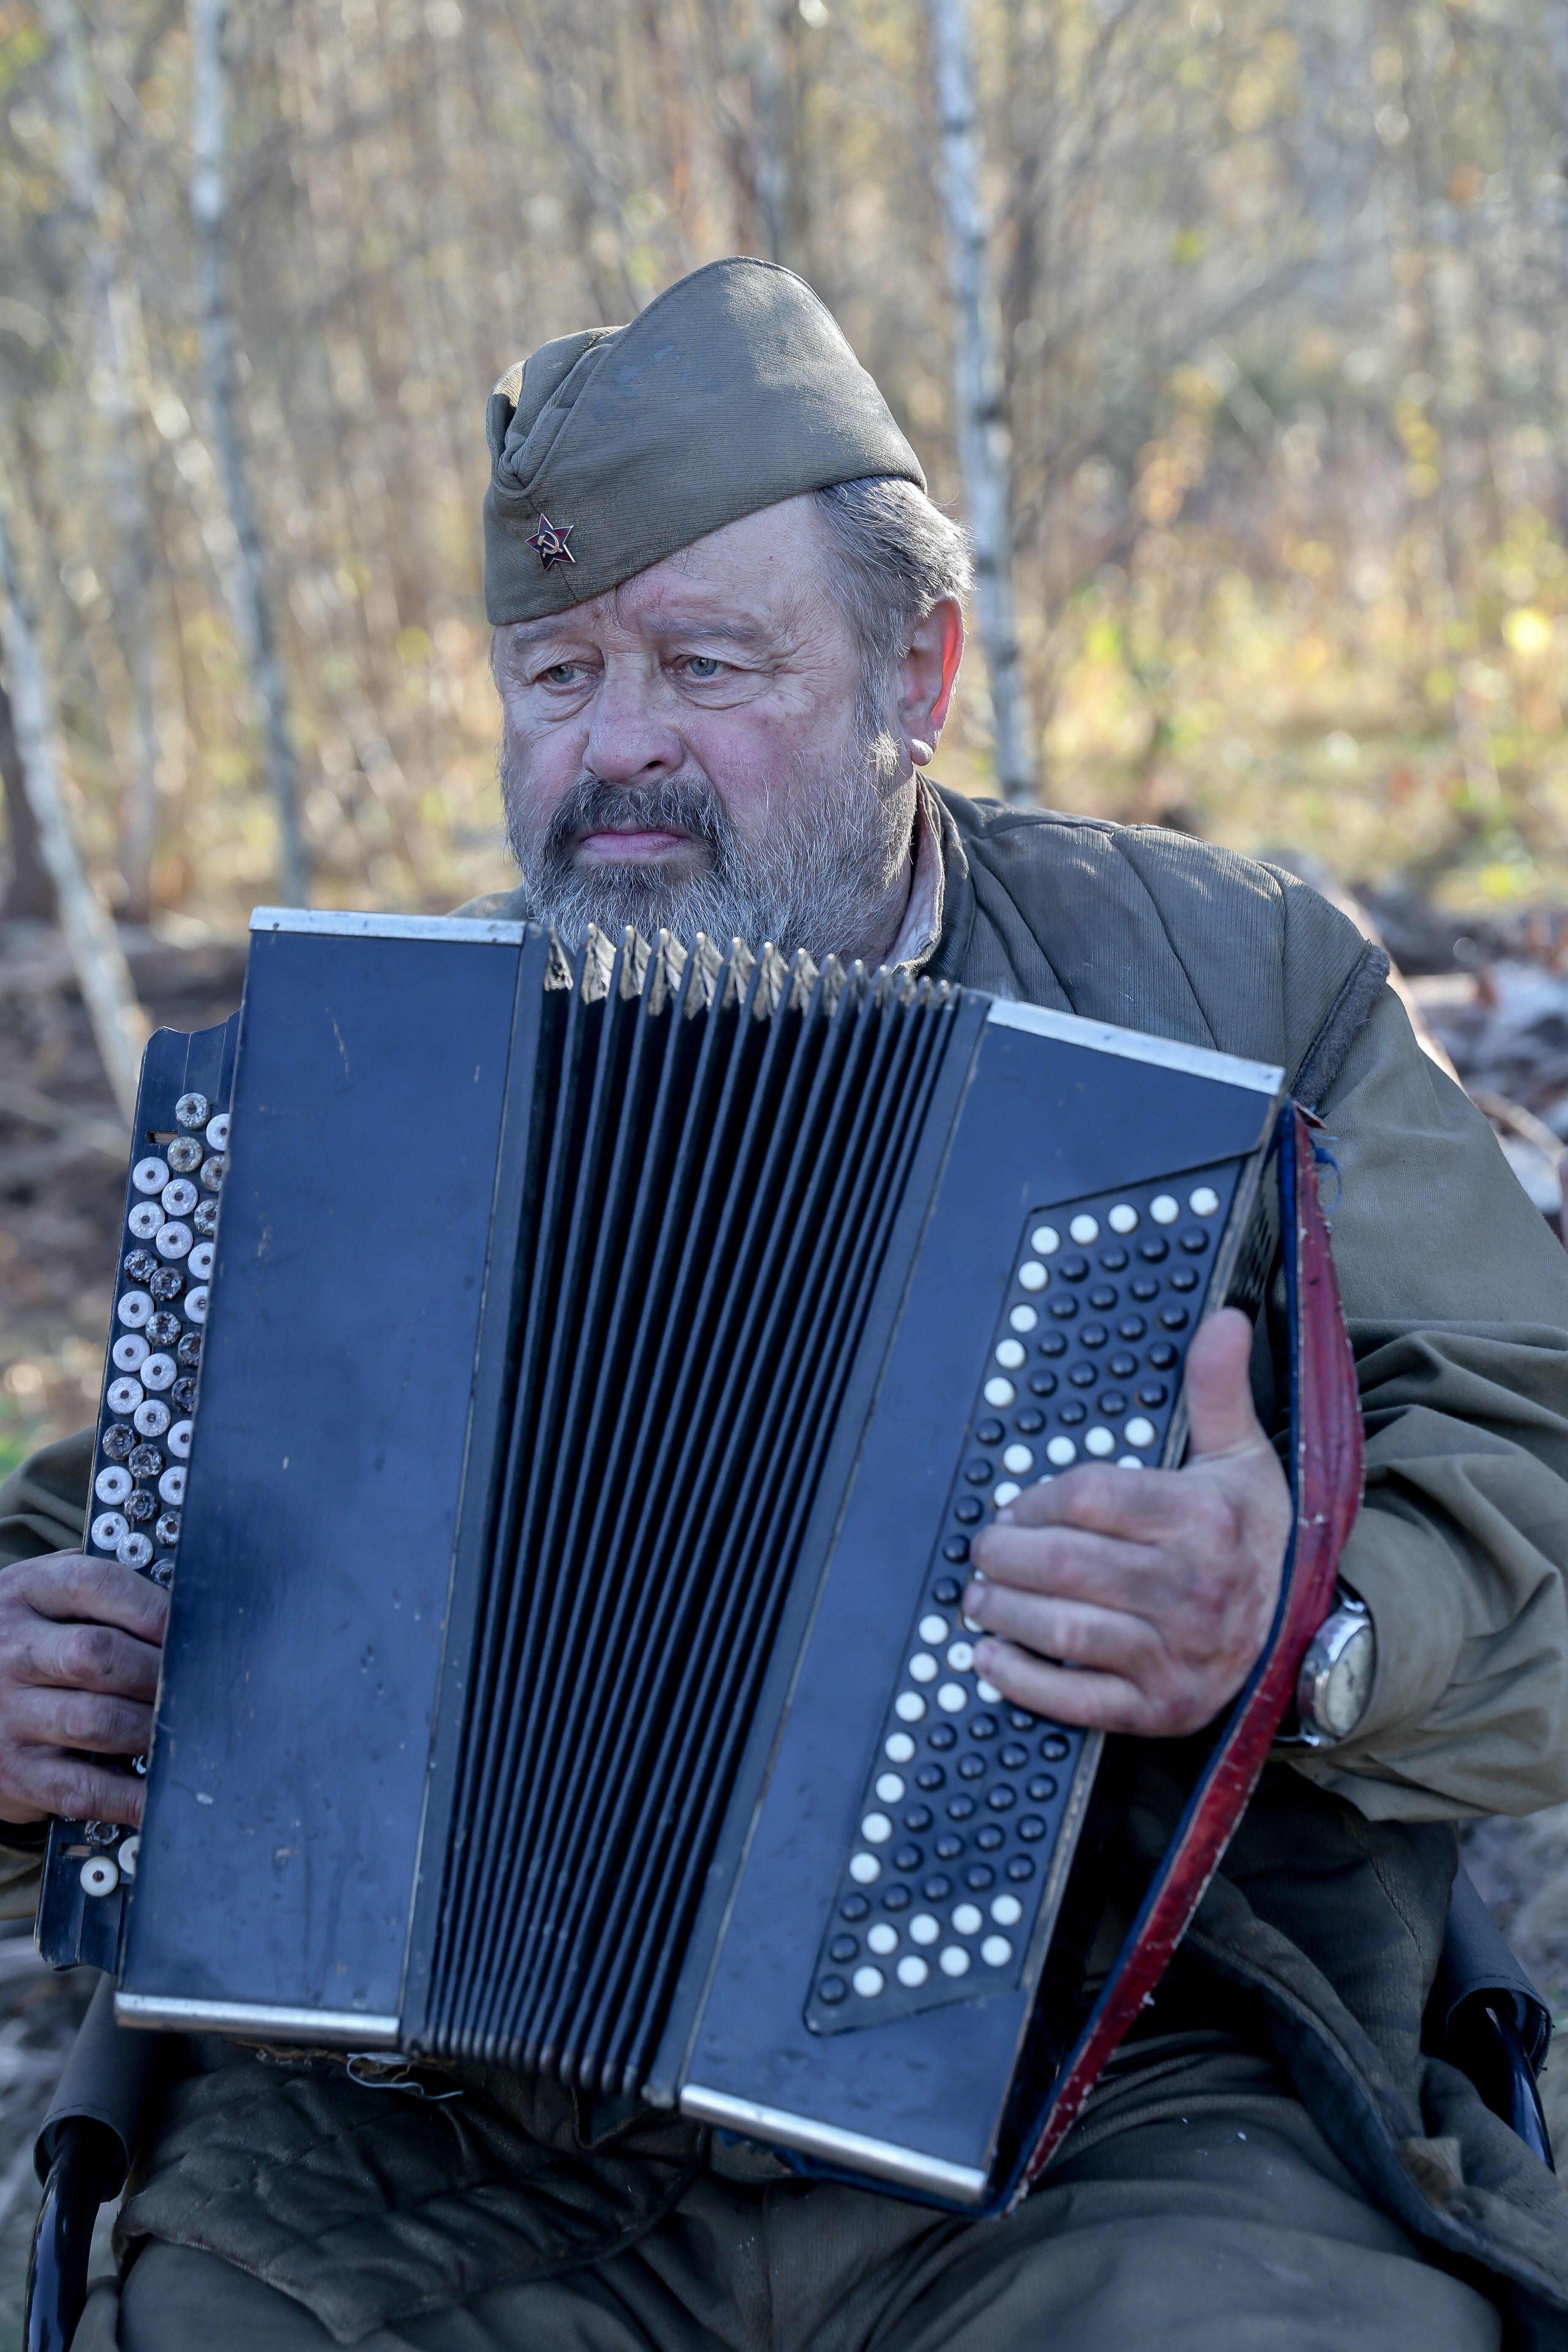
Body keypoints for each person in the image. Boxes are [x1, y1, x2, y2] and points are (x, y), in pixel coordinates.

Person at [0, 255, 1566, 2349]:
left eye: (704, 662)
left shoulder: (1236, 986)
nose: (617, 749)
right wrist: (28, 1703)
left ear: (919, 669)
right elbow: (108, 1534)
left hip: (1113, 2089)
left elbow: (1533, 1443)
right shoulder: (381, 1076)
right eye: (557, 675)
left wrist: (1301, 1618)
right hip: (440, 2150)